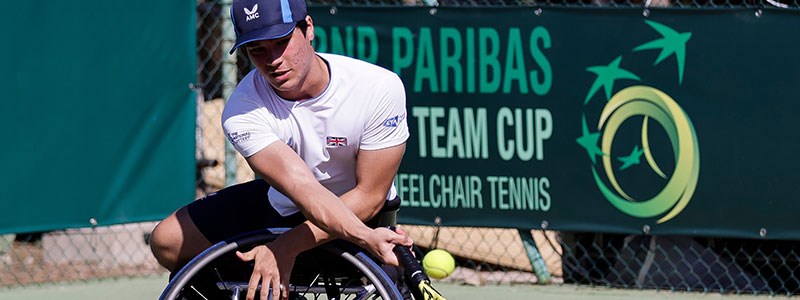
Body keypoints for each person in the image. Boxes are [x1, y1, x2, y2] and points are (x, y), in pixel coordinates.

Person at [148, 0, 413, 299]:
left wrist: (287, 246)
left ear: (308, 28)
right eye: (257, 49)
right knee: (168, 240)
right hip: (288, 205)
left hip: (363, 215)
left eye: (282, 42)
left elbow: (370, 196)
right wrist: (282, 245)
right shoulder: (241, 110)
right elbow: (303, 188)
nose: (273, 60)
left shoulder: (378, 88)